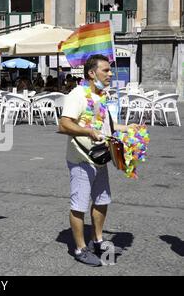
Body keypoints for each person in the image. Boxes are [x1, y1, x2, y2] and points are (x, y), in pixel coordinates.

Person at [58, 54, 140, 266]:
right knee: (79, 205)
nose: (110, 74)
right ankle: (80, 248)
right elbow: (64, 125)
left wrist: (130, 129)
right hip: (81, 159)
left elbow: (108, 128)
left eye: (110, 70)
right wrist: (87, 132)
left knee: (102, 201)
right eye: (106, 70)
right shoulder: (78, 94)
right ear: (91, 73)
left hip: (101, 158)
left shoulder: (101, 96)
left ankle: (98, 240)